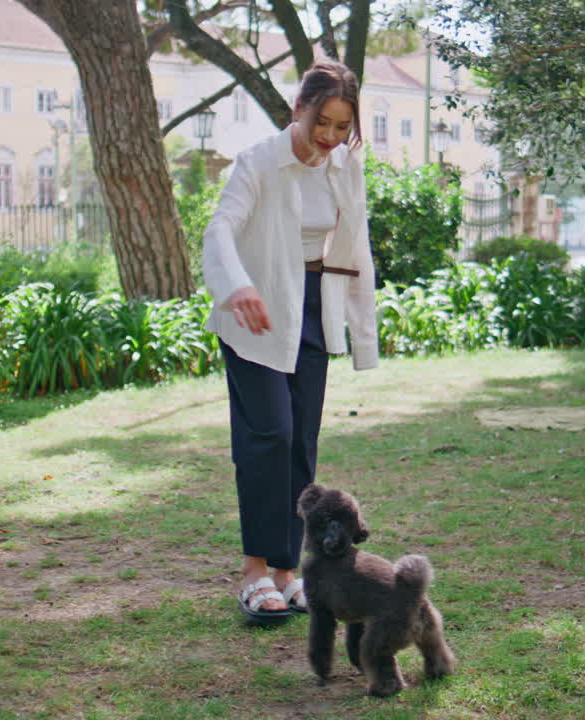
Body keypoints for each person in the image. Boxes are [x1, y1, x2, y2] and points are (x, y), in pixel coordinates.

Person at [202, 60, 379, 624]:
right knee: (268, 436)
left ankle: (288, 574)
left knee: (301, 441)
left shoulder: (345, 165)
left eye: (340, 127)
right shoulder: (258, 162)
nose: (328, 137)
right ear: (297, 110)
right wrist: (237, 287)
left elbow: (357, 244)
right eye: (321, 122)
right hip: (255, 312)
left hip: (311, 308)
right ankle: (256, 573)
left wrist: (362, 331)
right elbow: (221, 227)